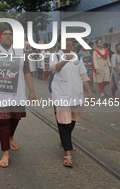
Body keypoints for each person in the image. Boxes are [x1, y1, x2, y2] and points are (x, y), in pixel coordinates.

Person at [0, 27, 36, 168]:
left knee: (15, 118)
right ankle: (5, 152)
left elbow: (26, 71)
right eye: (5, 34)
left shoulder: (19, 51)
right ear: (0, 37)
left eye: (10, 34)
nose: (8, 36)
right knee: (3, 121)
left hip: (17, 92)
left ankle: (10, 136)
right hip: (0, 92)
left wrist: (31, 90)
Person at [50, 37, 93, 167]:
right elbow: (54, 68)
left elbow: (83, 75)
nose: (68, 42)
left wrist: (90, 93)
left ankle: (65, 140)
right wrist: (65, 59)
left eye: (70, 40)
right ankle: (67, 153)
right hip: (61, 94)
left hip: (76, 94)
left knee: (73, 120)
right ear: (59, 43)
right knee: (64, 123)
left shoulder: (78, 57)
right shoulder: (55, 55)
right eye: (64, 40)